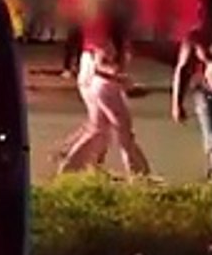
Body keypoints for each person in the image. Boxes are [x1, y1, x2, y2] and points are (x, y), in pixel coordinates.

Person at [58, 11, 151, 176]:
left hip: (92, 78)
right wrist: (123, 80)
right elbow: (101, 64)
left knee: (98, 129)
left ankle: (70, 168)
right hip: (103, 84)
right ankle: (139, 175)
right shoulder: (108, 28)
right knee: (123, 133)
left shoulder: (98, 22)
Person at [172, 0, 212, 182]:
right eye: (200, 10)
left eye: (205, 10)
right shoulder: (195, 37)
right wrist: (177, 103)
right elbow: (182, 70)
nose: (200, 13)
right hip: (207, 93)